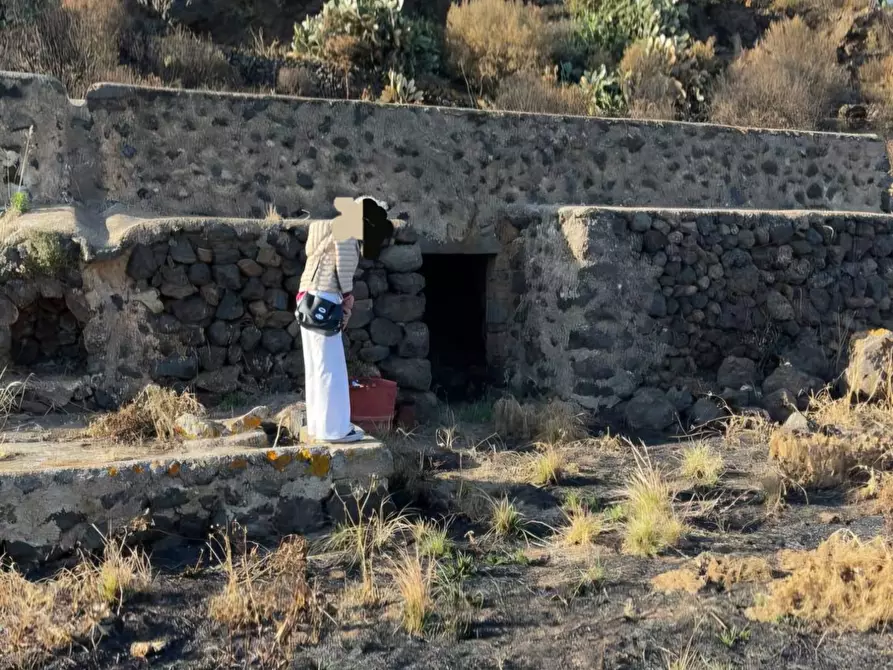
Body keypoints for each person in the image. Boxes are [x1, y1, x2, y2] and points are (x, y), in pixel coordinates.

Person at [296, 196, 393, 443]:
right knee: (332, 367)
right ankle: (335, 430)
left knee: (316, 366)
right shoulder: (347, 234)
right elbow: (343, 273)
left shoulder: (324, 230)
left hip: (307, 298)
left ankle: (318, 426)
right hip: (326, 299)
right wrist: (347, 301)